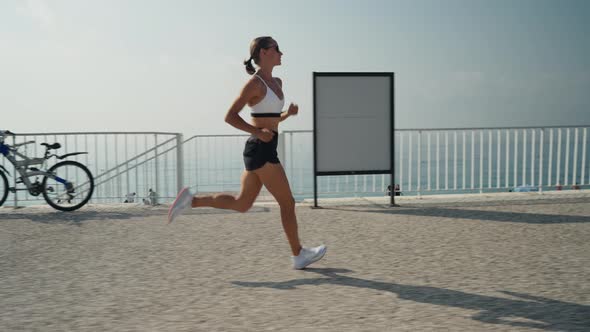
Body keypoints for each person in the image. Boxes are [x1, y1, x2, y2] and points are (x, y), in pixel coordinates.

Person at [168, 36, 326, 270]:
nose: (281, 53)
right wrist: (257, 132)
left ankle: (191, 200)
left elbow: (269, 119)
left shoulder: (278, 83)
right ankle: (298, 254)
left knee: (242, 203)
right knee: (287, 202)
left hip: (263, 147)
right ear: (263, 52)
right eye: (276, 48)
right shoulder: (254, 84)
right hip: (260, 149)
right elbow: (230, 116)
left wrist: (286, 116)